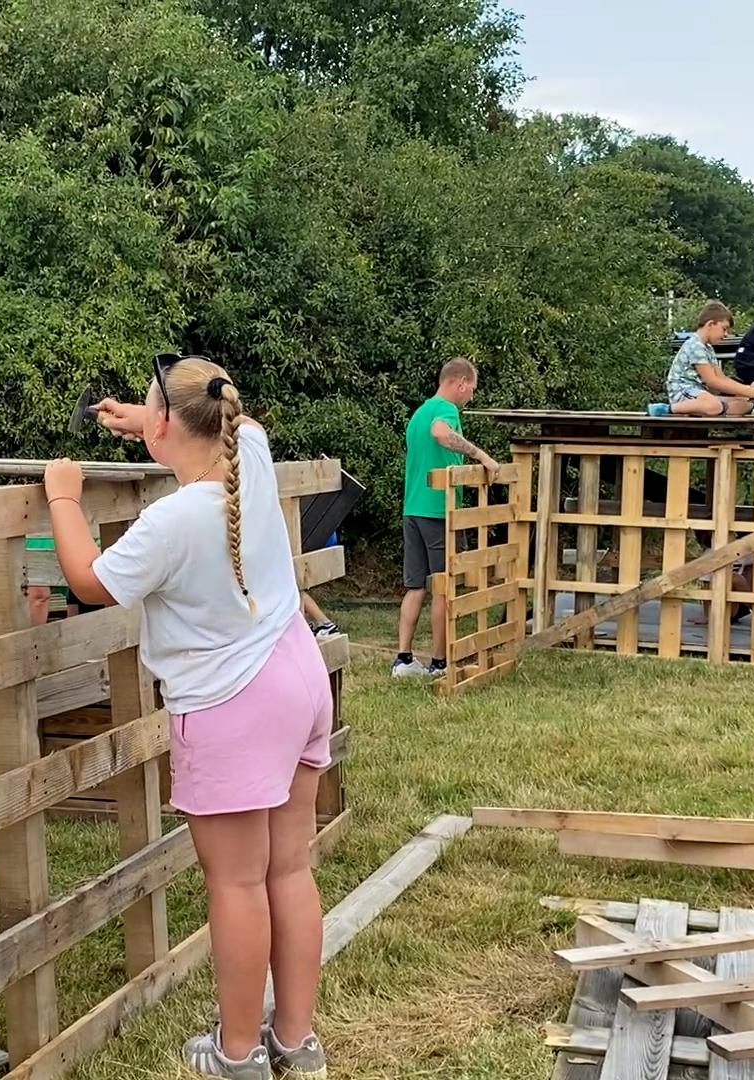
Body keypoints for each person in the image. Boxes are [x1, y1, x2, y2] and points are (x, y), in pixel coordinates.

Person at [45, 354, 332, 1080]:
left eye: (151, 410)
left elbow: (89, 580)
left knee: (235, 885)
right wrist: (147, 419)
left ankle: (236, 1056)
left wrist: (63, 499)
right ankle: (296, 1043)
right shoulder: (251, 455)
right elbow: (238, 424)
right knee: (289, 867)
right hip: (297, 677)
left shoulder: (171, 521)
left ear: (170, 423)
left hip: (233, 704)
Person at [396, 357, 498, 680]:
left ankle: (403, 660)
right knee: (443, 587)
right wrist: (481, 456)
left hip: (412, 509)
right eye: (472, 390)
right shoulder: (445, 411)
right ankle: (439, 663)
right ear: (461, 382)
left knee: (415, 587)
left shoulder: (417, 414)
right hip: (439, 511)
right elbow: (441, 433)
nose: (471, 397)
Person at [666, 301, 754, 416]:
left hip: (701, 395)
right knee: (714, 405)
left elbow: (721, 378)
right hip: (684, 392)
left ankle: (711, 409)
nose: (726, 334)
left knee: (746, 404)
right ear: (710, 324)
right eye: (724, 329)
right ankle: (667, 409)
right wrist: (747, 391)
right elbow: (713, 382)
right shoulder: (695, 346)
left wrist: (747, 390)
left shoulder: (708, 348)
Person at [300, 531, 341, 639]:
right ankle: (315, 624)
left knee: (292, 589)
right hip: (324, 544)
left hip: (318, 544)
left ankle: (324, 624)